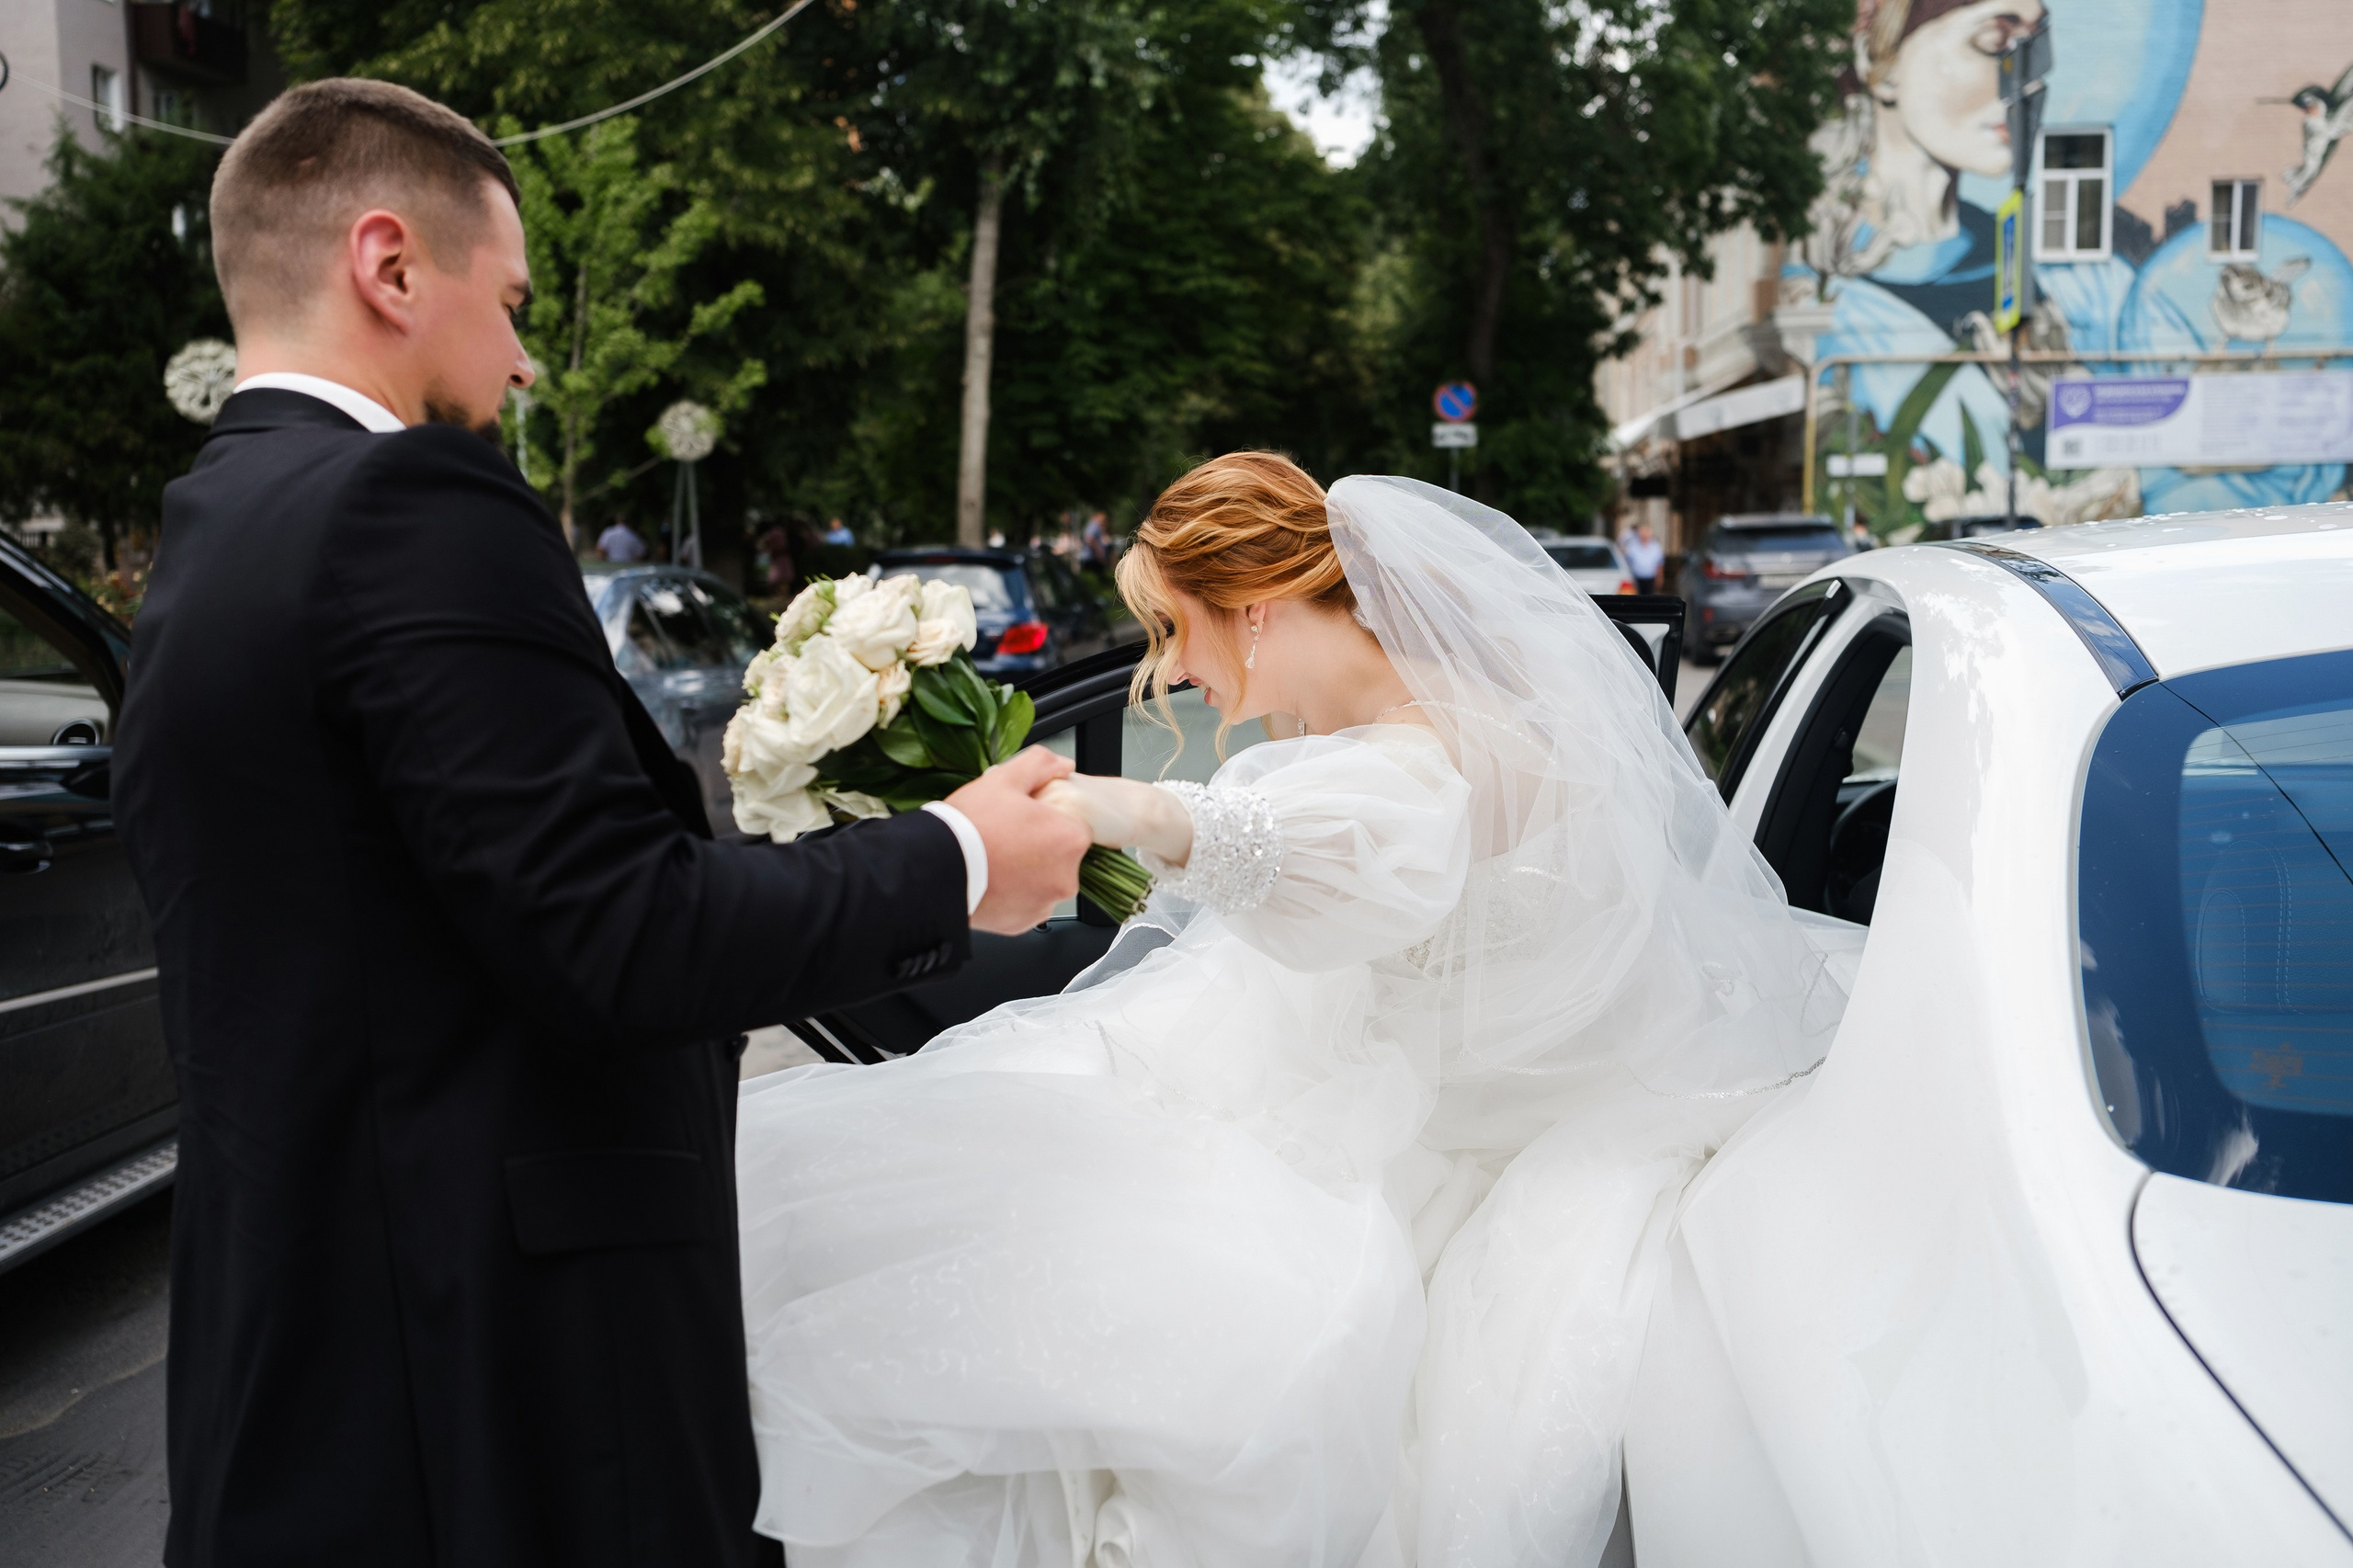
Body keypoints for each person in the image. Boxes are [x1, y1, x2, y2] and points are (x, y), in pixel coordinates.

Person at [113, 79, 1090, 1568]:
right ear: (389, 266)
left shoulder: (211, 536)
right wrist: (958, 857)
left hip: (304, 1381)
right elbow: (623, 934)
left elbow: (452, 912)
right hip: (503, 1404)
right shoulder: (408, 505)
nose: (519, 361)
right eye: (506, 304)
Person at [733, 452, 1849, 1564]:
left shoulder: (1435, 754)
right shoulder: (1371, 717)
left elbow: (1341, 842)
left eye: (1173, 629)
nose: (1168, 672)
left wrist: (1115, 808)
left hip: (1414, 1138)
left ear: (1254, 609)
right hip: (1340, 1079)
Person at [1623, 516, 1665, 593]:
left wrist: (1660, 578)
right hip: (1636, 578)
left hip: (1650, 579)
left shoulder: (1655, 546)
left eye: (1646, 531)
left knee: (1649, 600)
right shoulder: (1633, 545)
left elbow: (1659, 564)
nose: (1644, 534)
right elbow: (1627, 562)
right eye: (1642, 531)